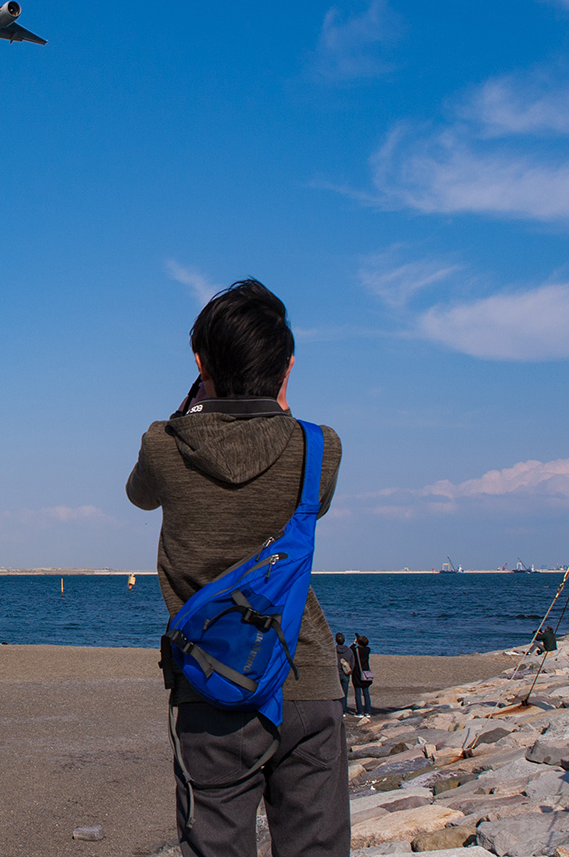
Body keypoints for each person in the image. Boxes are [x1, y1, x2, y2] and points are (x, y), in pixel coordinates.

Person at [127, 279, 347, 857]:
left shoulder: (163, 447)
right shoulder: (320, 449)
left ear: (201, 364)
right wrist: (277, 403)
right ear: (287, 369)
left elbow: (137, 495)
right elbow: (306, 495)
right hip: (309, 680)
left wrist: (187, 409)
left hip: (212, 686)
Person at [350, 634, 372, 718]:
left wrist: (354, 642)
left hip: (358, 673)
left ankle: (359, 711)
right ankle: (367, 711)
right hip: (366, 672)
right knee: (366, 693)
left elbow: (350, 649)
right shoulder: (367, 650)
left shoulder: (356, 650)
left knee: (358, 693)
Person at [335, 632, 352, 709]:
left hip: (336, 673)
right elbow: (352, 662)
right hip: (345, 674)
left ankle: (336, 709)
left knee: (336, 693)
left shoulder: (333, 650)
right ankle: (343, 710)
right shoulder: (348, 651)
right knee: (344, 693)